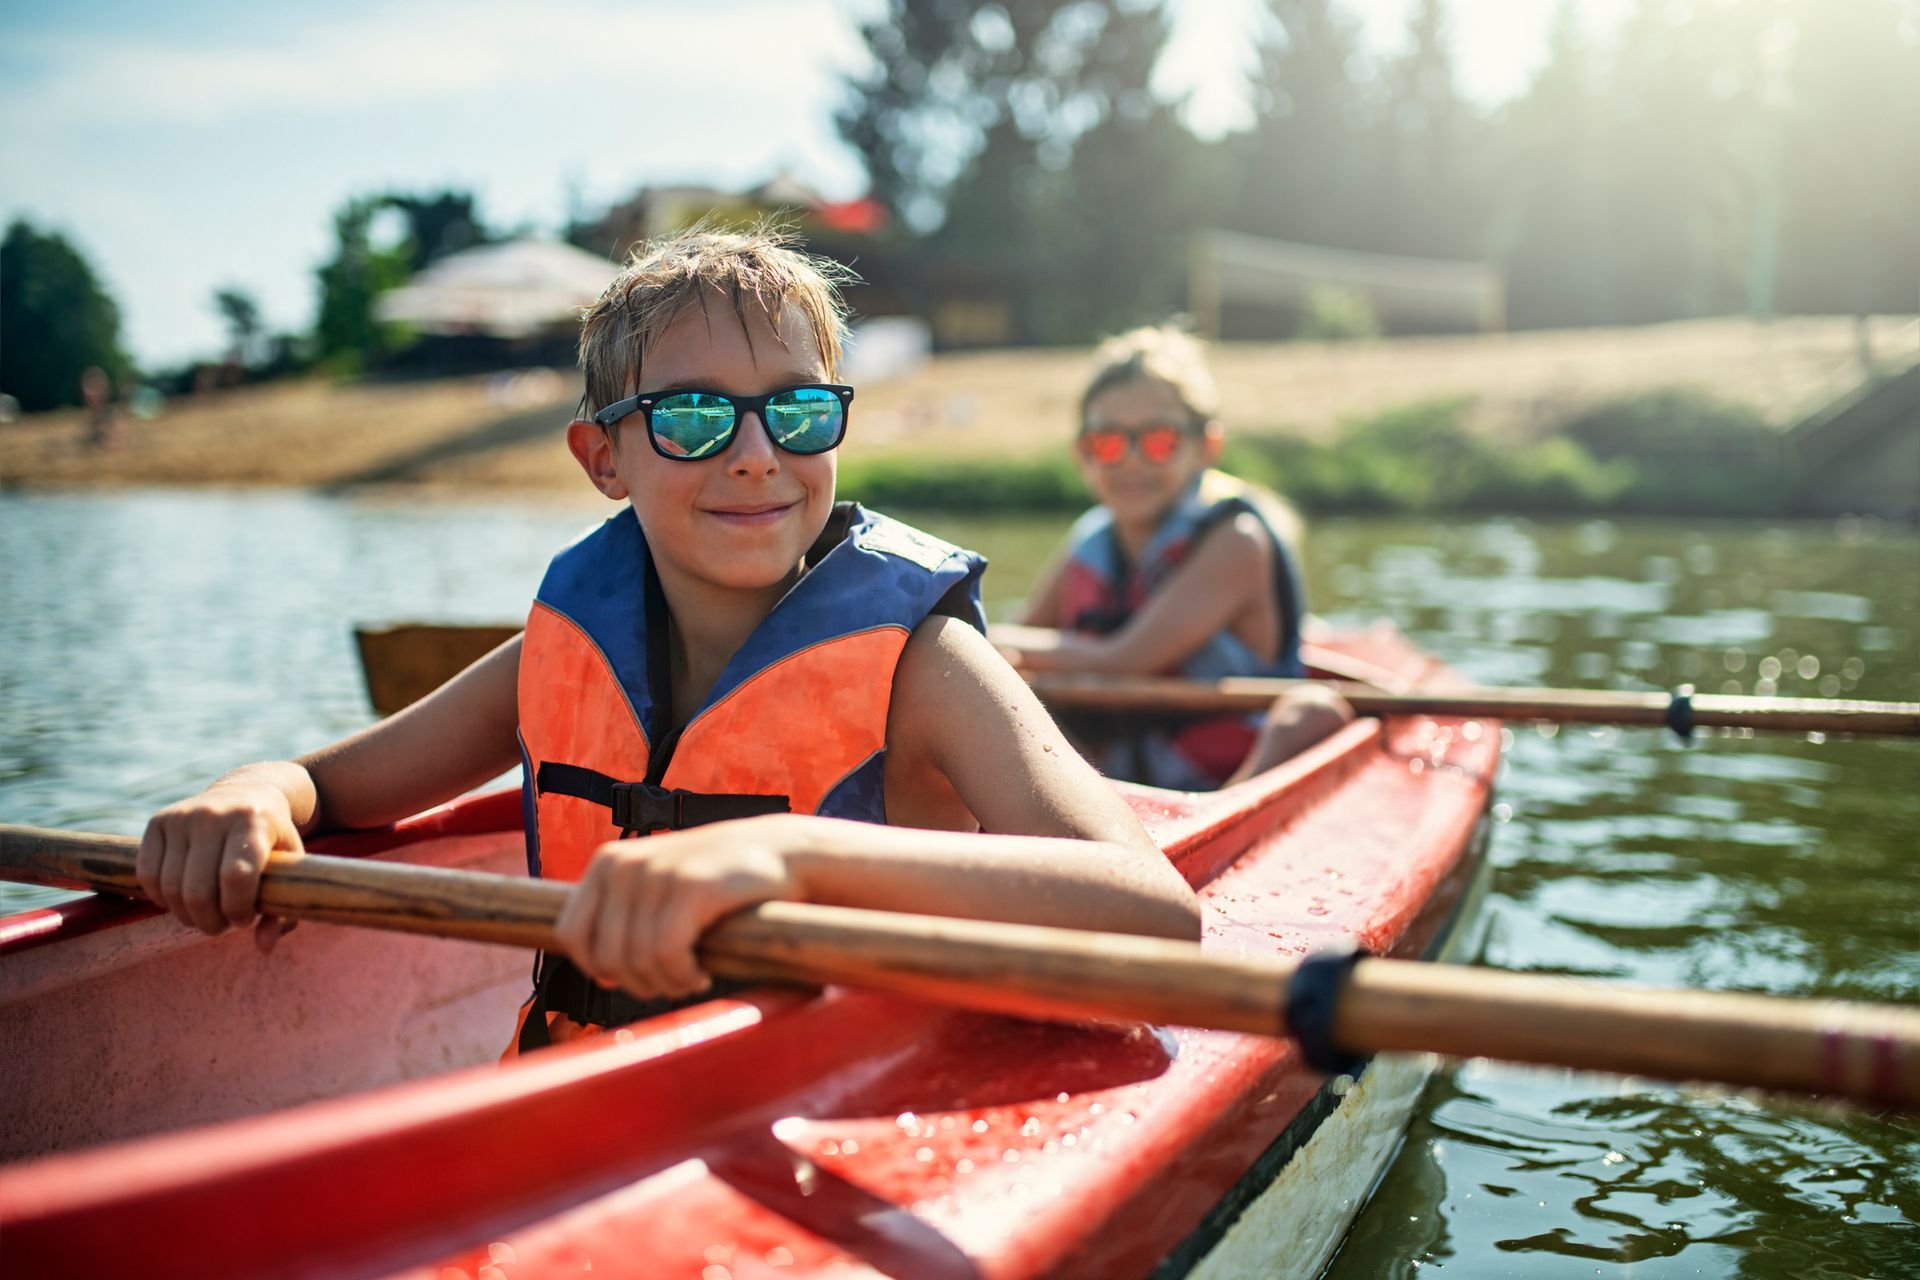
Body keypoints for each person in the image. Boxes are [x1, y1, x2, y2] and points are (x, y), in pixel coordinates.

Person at [137, 226, 1199, 1054]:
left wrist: (787, 850)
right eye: (693, 417)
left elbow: (1154, 917)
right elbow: (331, 785)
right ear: (603, 457)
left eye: (797, 413)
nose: (754, 456)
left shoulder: (924, 667)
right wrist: (258, 790)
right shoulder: (561, 649)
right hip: (589, 1100)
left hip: (842, 1105)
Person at [998, 324, 1351, 791]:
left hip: (1227, 770)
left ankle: (1226, 819)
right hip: (1119, 765)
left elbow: (1124, 659)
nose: (1131, 461)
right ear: (1081, 453)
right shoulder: (1091, 539)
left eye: (1159, 440)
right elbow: (1029, 634)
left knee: (1311, 713)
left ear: (1207, 446)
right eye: (1107, 442)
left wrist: (991, 641)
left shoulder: (1235, 541)